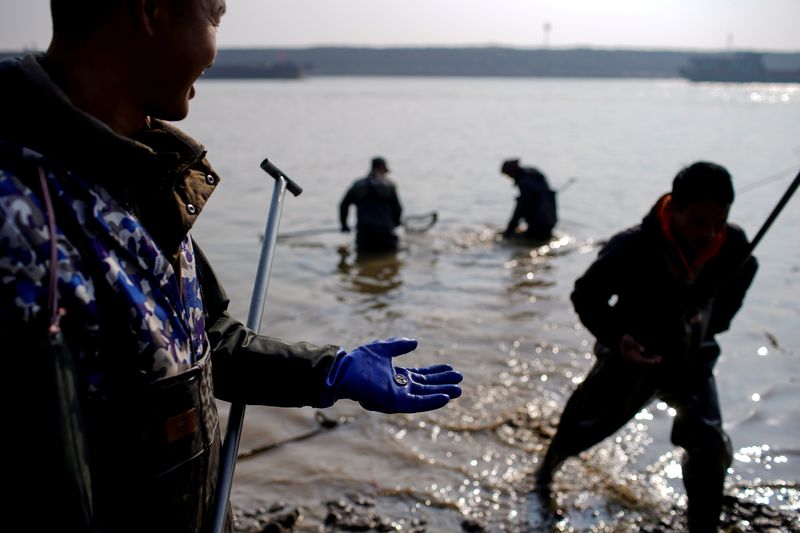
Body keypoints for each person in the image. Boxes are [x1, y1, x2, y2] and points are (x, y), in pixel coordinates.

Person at [0, 1, 462, 531]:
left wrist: (330, 371)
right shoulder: (21, 222)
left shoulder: (139, 181)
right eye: (215, 15)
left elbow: (203, 343)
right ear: (152, 10)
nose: (217, 51)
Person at [534, 162, 758, 532]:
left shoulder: (732, 245)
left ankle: (703, 526)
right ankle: (543, 478)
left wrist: (710, 319)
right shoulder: (631, 246)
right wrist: (618, 337)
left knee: (709, 444)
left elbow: (742, 279)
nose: (710, 234)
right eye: (700, 222)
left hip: (690, 361)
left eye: (719, 223)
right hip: (632, 358)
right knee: (579, 428)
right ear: (675, 208)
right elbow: (585, 296)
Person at [339, 156, 403, 253]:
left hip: (364, 235)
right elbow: (398, 209)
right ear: (382, 168)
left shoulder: (357, 185)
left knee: (363, 259)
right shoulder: (390, 185)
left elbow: (343, 206)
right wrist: (396, 223)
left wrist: (344, 225)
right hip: (386, 235)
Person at [500, 159, 557, 240]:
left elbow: (521, 207)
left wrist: (510, 229)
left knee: (516, 240)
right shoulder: (533, 173)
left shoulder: (524, 182)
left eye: (508, 175)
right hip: (551, 220)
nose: (509, 177)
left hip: (539, 223)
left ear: (512, 171)